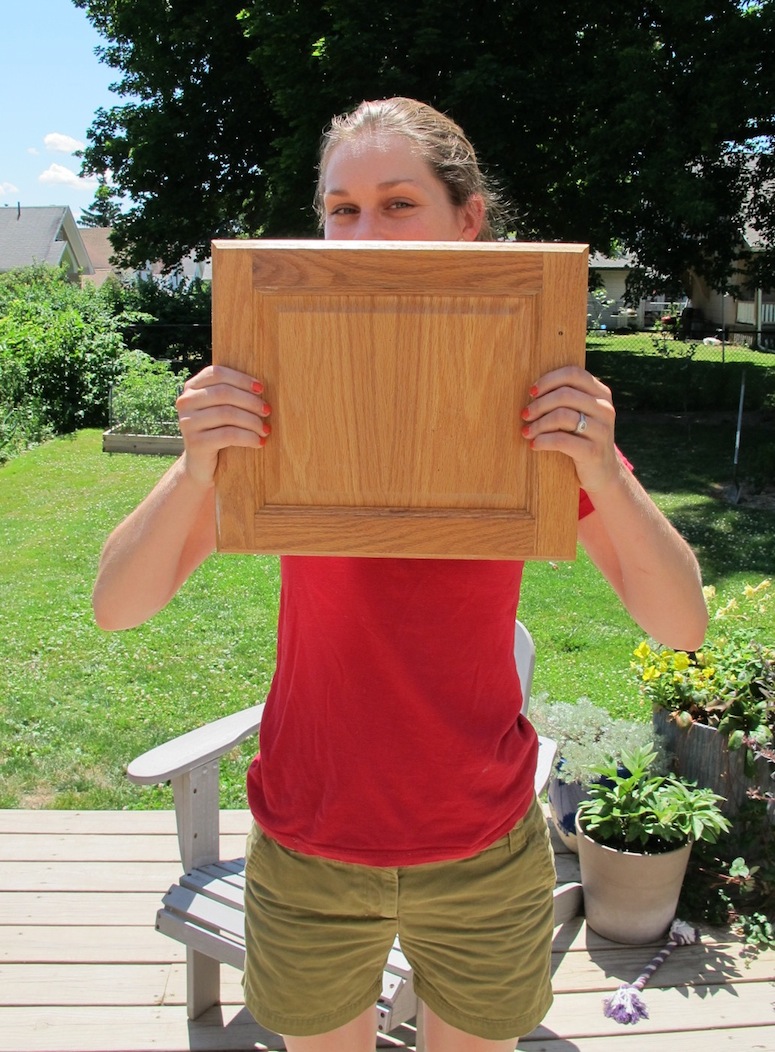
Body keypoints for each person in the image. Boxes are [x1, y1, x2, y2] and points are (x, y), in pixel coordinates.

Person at [93, 98, 708, 1052]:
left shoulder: (528, 405)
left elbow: (680, 625)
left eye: (396, 202)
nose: (364, 230)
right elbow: (119, 604)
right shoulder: (284, 396)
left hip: (480, 835)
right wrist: (195, 460)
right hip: (306, 833)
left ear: (469, 220)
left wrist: (599, 469)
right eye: (341, 209)